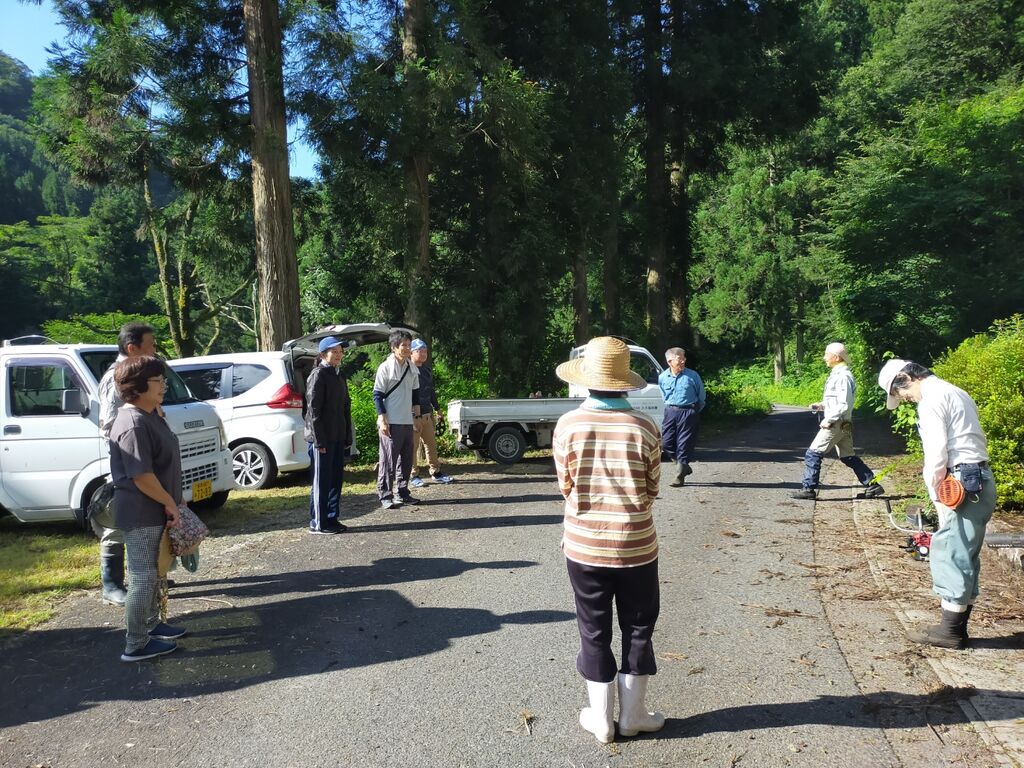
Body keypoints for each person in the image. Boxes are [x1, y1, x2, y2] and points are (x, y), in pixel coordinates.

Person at [552, 336, 665, 744]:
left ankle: (600, 720)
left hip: (584, 546)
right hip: (636, 545)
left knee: (593, 628)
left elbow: (566, 486)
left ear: (586, 380)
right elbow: (652, 488)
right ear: (624, 381)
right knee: (638, 626)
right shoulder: (645, 426)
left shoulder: (568, 425)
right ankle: (633, 716)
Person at [878, 359, 995, 648]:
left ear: (906, 377)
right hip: (979, 478)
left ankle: (950, 632)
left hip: (961, 481)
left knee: (949, 552)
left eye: (900, 393)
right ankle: (956, 627)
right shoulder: (955, 391)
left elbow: (936, 453)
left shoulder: (930, 401)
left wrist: (935, 492)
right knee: (964, 553)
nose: (904, 399)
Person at [108, 356, 187, 662]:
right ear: (138, 386)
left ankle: (152, 625)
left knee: (155, 574)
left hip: (156, 508)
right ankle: (136, 643)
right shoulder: (132, 423)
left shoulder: (150, 414)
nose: (163, 386)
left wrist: (175, 499)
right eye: (157, 381)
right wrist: (169, 501)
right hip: (141, 512)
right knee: (143, 577)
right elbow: (141, 475)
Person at [94, 322, 160, 605]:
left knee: (146, 516)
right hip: (125, 461)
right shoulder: (116, 377)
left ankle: (146, 574)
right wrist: (132, 449)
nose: (155, 350)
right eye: (151, 345)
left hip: (145, 456)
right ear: (132, 348)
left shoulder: (143, 373)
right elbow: (109, 423)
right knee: (119, 517)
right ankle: (111, 584)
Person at [792, 342, 884, 500]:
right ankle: (872, 485)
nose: (824, 358)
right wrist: (822, 405)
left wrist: (829, 419)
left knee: (813, 453)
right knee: (848, 456)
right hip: (842, 423)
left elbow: (844, 403)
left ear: (836, 357)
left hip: (836, 423)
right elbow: (838, 400)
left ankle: (808, 489)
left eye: (826, 354)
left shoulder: (843, 377)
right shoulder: (839, 374)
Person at [304, 336, 353, 534]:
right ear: (324, 354)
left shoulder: (339, 375)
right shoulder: (318, 375)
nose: (339, 355)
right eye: (335, 352)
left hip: (337, 436)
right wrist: (319, 441)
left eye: (341, 352)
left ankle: (332, 518)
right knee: (321, 482)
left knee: (335, 481)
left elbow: (345, 407)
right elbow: (313, 411)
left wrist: (347, 436)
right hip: (321, 439)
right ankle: (318, 522)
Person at [373, 329, 421, 510]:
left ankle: (403, 492)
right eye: (403, 345)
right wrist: (382, 419)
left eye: (409, 345)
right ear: (394, 347)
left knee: (406, 460)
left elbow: (415, 395)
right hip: (391, 421)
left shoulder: (412, 368)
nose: (407, 348)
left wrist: (417, 417)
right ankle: (385, 494)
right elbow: (377, 395)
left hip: (407, 421)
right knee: (388, 461)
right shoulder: (385, 367)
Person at [658, 347, 706, 487]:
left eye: (684, 358)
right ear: (670, 361)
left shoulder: (692, 376)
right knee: (666, 443)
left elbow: (701, 397)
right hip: (670, 411)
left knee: (684, 444)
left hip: (688, 412)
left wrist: (694, 411)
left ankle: (679, 476)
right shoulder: (662, 377)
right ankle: (683, 466)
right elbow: (663, 395)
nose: (683, 361)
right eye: (680, 358)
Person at [409, 338, 453, 488]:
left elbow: (431, 392)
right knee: (412, 447)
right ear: (411, 353)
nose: (423, 354)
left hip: (428, 415)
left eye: (425, 351)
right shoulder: (407, 370)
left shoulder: (427, 370)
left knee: (431, 445)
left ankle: (436, 472)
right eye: (419, 351)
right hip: (412, 416)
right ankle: (413, 475)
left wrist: (438, 409)